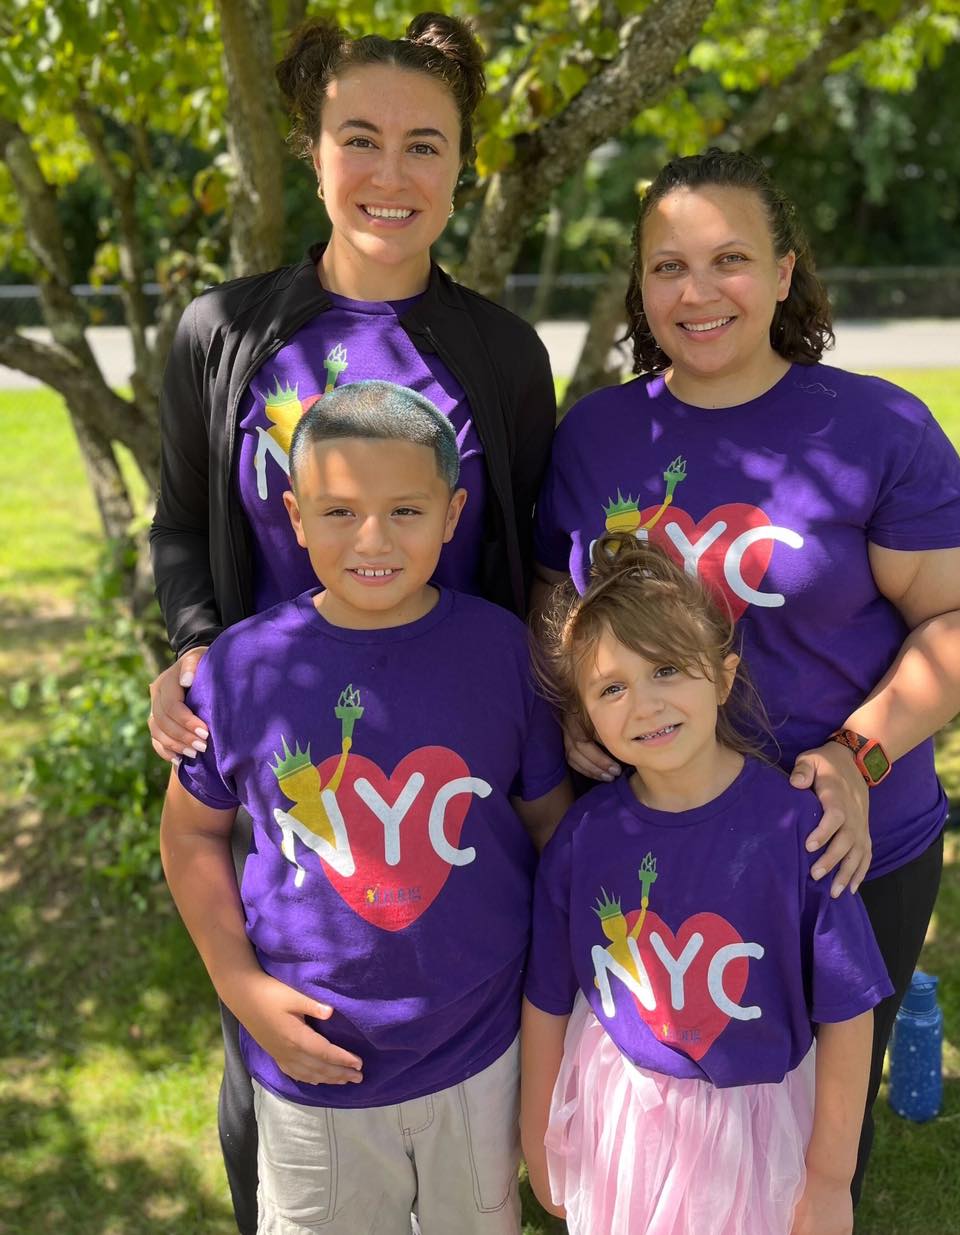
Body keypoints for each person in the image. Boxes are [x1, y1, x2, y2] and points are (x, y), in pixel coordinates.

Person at [530, 149, 960, 1202]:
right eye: (669, 266)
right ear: (640, 286)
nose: (698, 291)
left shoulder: (875, 428)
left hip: (843, 848)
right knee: (662, 1121)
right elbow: (561, 606)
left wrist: (858, 751)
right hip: (655, 851)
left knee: (812, 1150)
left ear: (785, 272)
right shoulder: (596, 436)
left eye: (730, 259)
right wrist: (575, 707)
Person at [147, 14, 556, 1229]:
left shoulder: (500, 355)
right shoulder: (223, 335)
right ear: (312, 150)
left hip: (445, 775)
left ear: (463, 166)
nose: (392, 172)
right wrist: (191, 649)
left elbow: (524, 563)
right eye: (360, 138)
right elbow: (182, 528)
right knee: (281, 1113)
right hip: (288, 777)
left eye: (425, 144)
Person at [161, 380, 570, 1235]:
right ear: (294, 517)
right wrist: (240, 987)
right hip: (312, 1068)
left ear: (454, 514)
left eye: (406, 511)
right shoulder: (241, 668)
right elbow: (193, 832)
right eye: (340, 512)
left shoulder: (502, 652)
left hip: (481, 1054)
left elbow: (550, 830)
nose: (373, 539)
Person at [521, 538, 893, 1234]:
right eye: (611, 688)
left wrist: (829, 1176)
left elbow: (848, 1011)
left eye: (666, 669)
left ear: (723, 678)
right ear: (584, 713)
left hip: (754, 1131)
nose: (644, 704)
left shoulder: (797, 828)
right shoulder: (583, 838)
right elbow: (546, 999)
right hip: (624, 1121)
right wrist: (539, 1139)